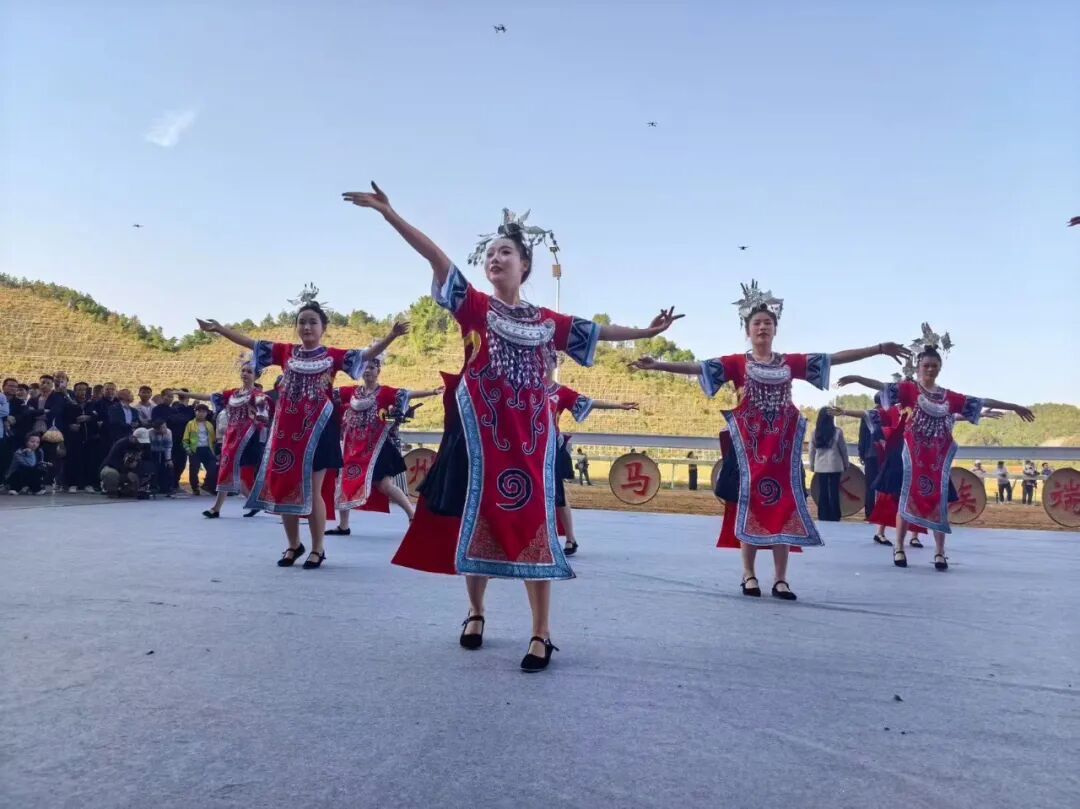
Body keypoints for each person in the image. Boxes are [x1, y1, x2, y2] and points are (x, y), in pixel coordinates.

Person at [345, 183, 682, 670]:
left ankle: (541, 632)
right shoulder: (474, 307)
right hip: (480, 441)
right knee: (473, 519)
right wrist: (389, 214)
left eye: (505, 252)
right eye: (489, 253)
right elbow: (437, 258)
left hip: (532, 442)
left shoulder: (547, 322)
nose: (495, 258)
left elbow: (598, 331)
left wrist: (647, 332)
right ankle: (475, 611)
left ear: (525, 265)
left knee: (534, 525)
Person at [631, 280, 909, 600]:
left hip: (782, 453)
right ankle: (749, 574)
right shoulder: (736, 363)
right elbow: (697, 366)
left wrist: (878, 349)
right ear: (747, 330)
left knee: (784, 509)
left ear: (775, 329)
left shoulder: (790, 363)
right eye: (757, 323)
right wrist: (659, 364)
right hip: (750, 453)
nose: (762, 327)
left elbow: (833, 358)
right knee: (748, 507)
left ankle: (781, 579)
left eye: (767, 323)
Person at [196, 307, 400, 570]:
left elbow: (365, 355)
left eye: (313, 322)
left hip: (319, 432)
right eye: (302, 322)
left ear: (323, 327)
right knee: (284, 488)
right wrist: (219, 329)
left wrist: (391, 336)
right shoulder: (286, 352)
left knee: (313, 490)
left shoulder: (333, 356)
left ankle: (317, 548)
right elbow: (251, 343)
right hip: (286, 434)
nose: (307, 327)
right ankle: (294, 544)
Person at [838, 332, 1034, 571]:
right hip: (912, 456)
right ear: (919, 367)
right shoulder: (909, 390)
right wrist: (857, 378)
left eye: (934, 365)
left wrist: (1012, 406)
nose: (930, 369)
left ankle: (940, 552)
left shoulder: (948, 397)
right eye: (926, 365)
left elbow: (979, 401)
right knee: (905, 499)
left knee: (939, 502)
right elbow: (882, 387)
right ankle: (899, 547)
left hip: (936, 460)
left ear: (939, 368)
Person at [326, 352, 439, 534]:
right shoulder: (351, 392)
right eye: (365, 367)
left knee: (385, 485)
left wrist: (432, 392)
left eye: (371, 367)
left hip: (377, 447)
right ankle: (343, 526)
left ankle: (412, 515)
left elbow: (407, 394)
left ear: (378, 371)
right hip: (353, 447)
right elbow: (329, 394)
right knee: (344, 483)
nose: (367, 371)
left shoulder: (386, 393)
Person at [546, 367, 638, 556]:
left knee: (558, 494)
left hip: (551, 449)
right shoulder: (524, 388)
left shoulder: (561, 392)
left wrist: (618, 405)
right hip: (525, 447)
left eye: (547, 358)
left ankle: (570, 538)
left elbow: (589, 403)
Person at [188, 361, 272, 518]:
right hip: (231, 436)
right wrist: (187, 394)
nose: (245, 374)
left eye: (249, 372)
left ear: (256, 376)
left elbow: (264, 418)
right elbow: (210, 396)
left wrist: (256, 415)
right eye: (243, 370)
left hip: (247, 438)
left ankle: (216, 508)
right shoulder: (233, 394)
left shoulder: (258, 396)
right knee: (229, 471)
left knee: (229, 470)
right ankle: (251, 502)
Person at [809, 408, 848, 521]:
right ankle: (835, 515)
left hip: (821, 467)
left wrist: (812, 465)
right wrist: (846, 463)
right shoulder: (838, 432)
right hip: (835, 465)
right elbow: (843, 449)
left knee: (823, 491)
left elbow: (811, 451)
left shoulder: (815, 433)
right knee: (834, 491)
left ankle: (823, 515)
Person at [64, 382, 100, 492]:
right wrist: (70, 426)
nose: (82, 392)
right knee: (74, 460)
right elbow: (63, 419)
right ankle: (73, 483)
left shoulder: (93, 404)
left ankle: (88, 483)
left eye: (84, 389)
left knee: (89, 461)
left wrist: (89, 418)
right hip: (75, 437)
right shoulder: (69, 405)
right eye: (79, 390)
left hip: (90, 437)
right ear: (75, 392)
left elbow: (98, 417)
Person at [100, 428, 152, 497]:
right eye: (139, 441)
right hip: (117, 469)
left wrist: (137, 469)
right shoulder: (120, 444)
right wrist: (127, 471)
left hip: (134, 471)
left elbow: (148, 460)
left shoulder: (145, 446)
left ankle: (127, 490)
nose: (141, 444)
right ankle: (111, 489)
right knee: (109, 473)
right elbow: (112, 461)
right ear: (133, 438)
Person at [182, 404, 218, 496]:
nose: (201, 414)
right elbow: (185, 439)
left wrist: (215, 450)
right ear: (195, 412)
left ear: (206, 413)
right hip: (195, 449)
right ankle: (195, 487)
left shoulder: (209, 424)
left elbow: (213, 439)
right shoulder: (190, 424)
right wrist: (188, 449)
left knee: (212, 469)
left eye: (203, 412)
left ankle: (208, 485)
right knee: (194, 470)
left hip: (208, 449)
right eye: (199, 411)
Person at [149, 419, 175, 494]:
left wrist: (168, 459)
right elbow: (148, 447)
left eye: (165, 426)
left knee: (167, 467)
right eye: (163, 427)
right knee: (154, 468)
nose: (165, 429)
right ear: (156, 429)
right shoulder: (149, 432)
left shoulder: (168, 432)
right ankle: (153, 486)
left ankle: (166, 487)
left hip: (164, 451)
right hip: (152, 452)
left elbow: (168, 447)